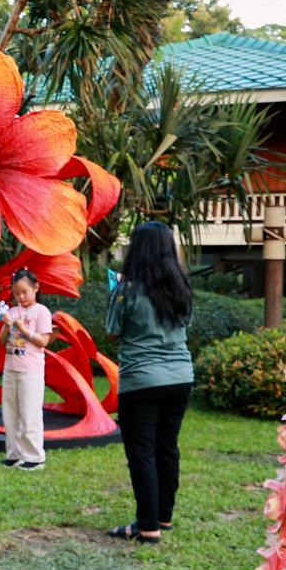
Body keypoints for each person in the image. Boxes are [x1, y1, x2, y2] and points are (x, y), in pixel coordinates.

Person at [104, 221, 194, 542]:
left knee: (142, 453)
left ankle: (147, 527)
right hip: (180, 376)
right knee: (166, 447)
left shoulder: (127, 291)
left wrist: (115, 293)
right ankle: (163, 518)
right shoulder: (182, 287)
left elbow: (113, 331)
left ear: (137, 251)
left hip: (142, 379)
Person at [0, 267, 54, 470]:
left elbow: (44, 341)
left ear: (35, 288)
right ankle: (14, 454)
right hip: (11, 369)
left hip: (31, 371)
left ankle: (35, 457)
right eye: (16, 293)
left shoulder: (41, 312)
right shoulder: (12, 312)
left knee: (30, 414)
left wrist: (23, 329)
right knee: (11, 414)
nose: (21, 297)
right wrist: (6, 326)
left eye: (24, 292)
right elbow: (2, 342)